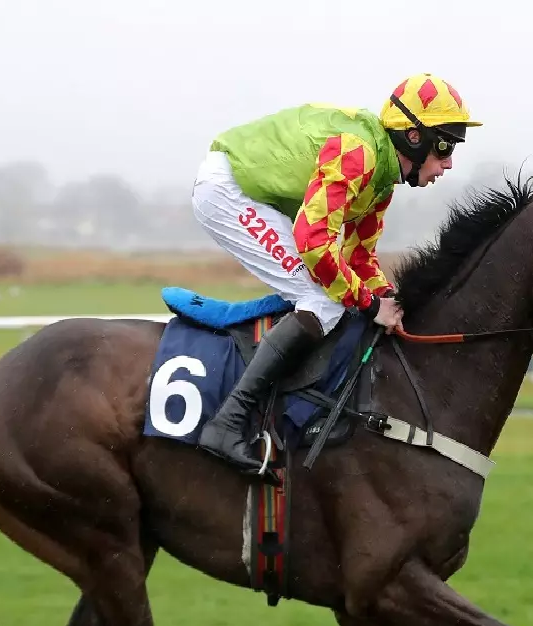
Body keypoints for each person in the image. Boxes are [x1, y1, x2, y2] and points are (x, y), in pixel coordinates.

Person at [191, 74, 482, 478]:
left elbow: (359, 257)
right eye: (445, 146)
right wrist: (368, 304)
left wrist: (394, 301)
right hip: (228, 191)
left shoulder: (382, 177)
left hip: (255, 193)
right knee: (324, 299)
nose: (448, 163)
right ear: (413, 137)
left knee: (332, 294)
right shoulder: (359, 154)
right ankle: (227, 423)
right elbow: (313, 243)